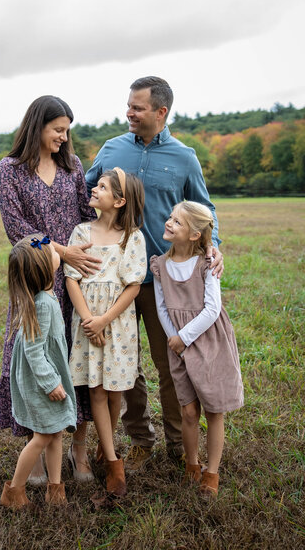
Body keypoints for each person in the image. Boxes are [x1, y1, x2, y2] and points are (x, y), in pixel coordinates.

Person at [85, 76, 224, 471]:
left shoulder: (185, 157)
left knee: (170, 366)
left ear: (161, 112)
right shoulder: (112, 148)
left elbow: (205, 209)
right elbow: (86, 194)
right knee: (123, 365)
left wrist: (213, 247)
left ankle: (179, 445)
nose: (129, 112)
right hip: (114, 281)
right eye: (128, 105)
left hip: (165, 282)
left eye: (138, 107)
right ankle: (140, 440)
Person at [0, 95, 100, 484]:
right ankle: (37, 447)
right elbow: (16, 228)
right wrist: (62, 251)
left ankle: (79, 448)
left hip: (75, 279)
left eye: (67, 130)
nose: (63, 136)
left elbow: (89, 213)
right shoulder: (10, 170)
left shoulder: (72, 166)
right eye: (58, 129)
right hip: (37, 274)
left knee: (76, 357)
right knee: (32, 355)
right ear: (37, 126)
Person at [150, 201, 243, 496]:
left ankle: (211, 472)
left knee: (214, 409)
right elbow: (162, 307)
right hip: (177, 345)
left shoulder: (206, 263)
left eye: (177, 221)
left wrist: (185, 336)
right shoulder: (160, 265)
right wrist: (174, 339)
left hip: (208, 341)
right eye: (171, 218)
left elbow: (212, 308)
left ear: (193, 235)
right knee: (188, 410)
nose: (169, 222)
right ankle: (192, 463)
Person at [65, 169, 147, 496]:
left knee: (115, 390)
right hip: (87, 322)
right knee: (97, 389)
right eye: (96, 184)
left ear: (119, 200)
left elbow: (133, 286)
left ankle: (105, 443)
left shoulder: (132, 237)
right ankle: (114, 462)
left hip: (118, 324)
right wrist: (89, 320)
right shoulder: (81, 232)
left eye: (102, 187)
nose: (94, 189)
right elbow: (72, 278)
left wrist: (105, 321)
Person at [0, 235, 77, 509]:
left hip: (48, 374)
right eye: (50, 250)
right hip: (43, 380)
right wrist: (51, 382)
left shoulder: (45, 295)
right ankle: (14, 491)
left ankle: (55, 490)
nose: (56, 249)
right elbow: (34, 351)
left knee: (55, 432)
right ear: (45, 267)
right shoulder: (43, 303)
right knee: (42, 437)